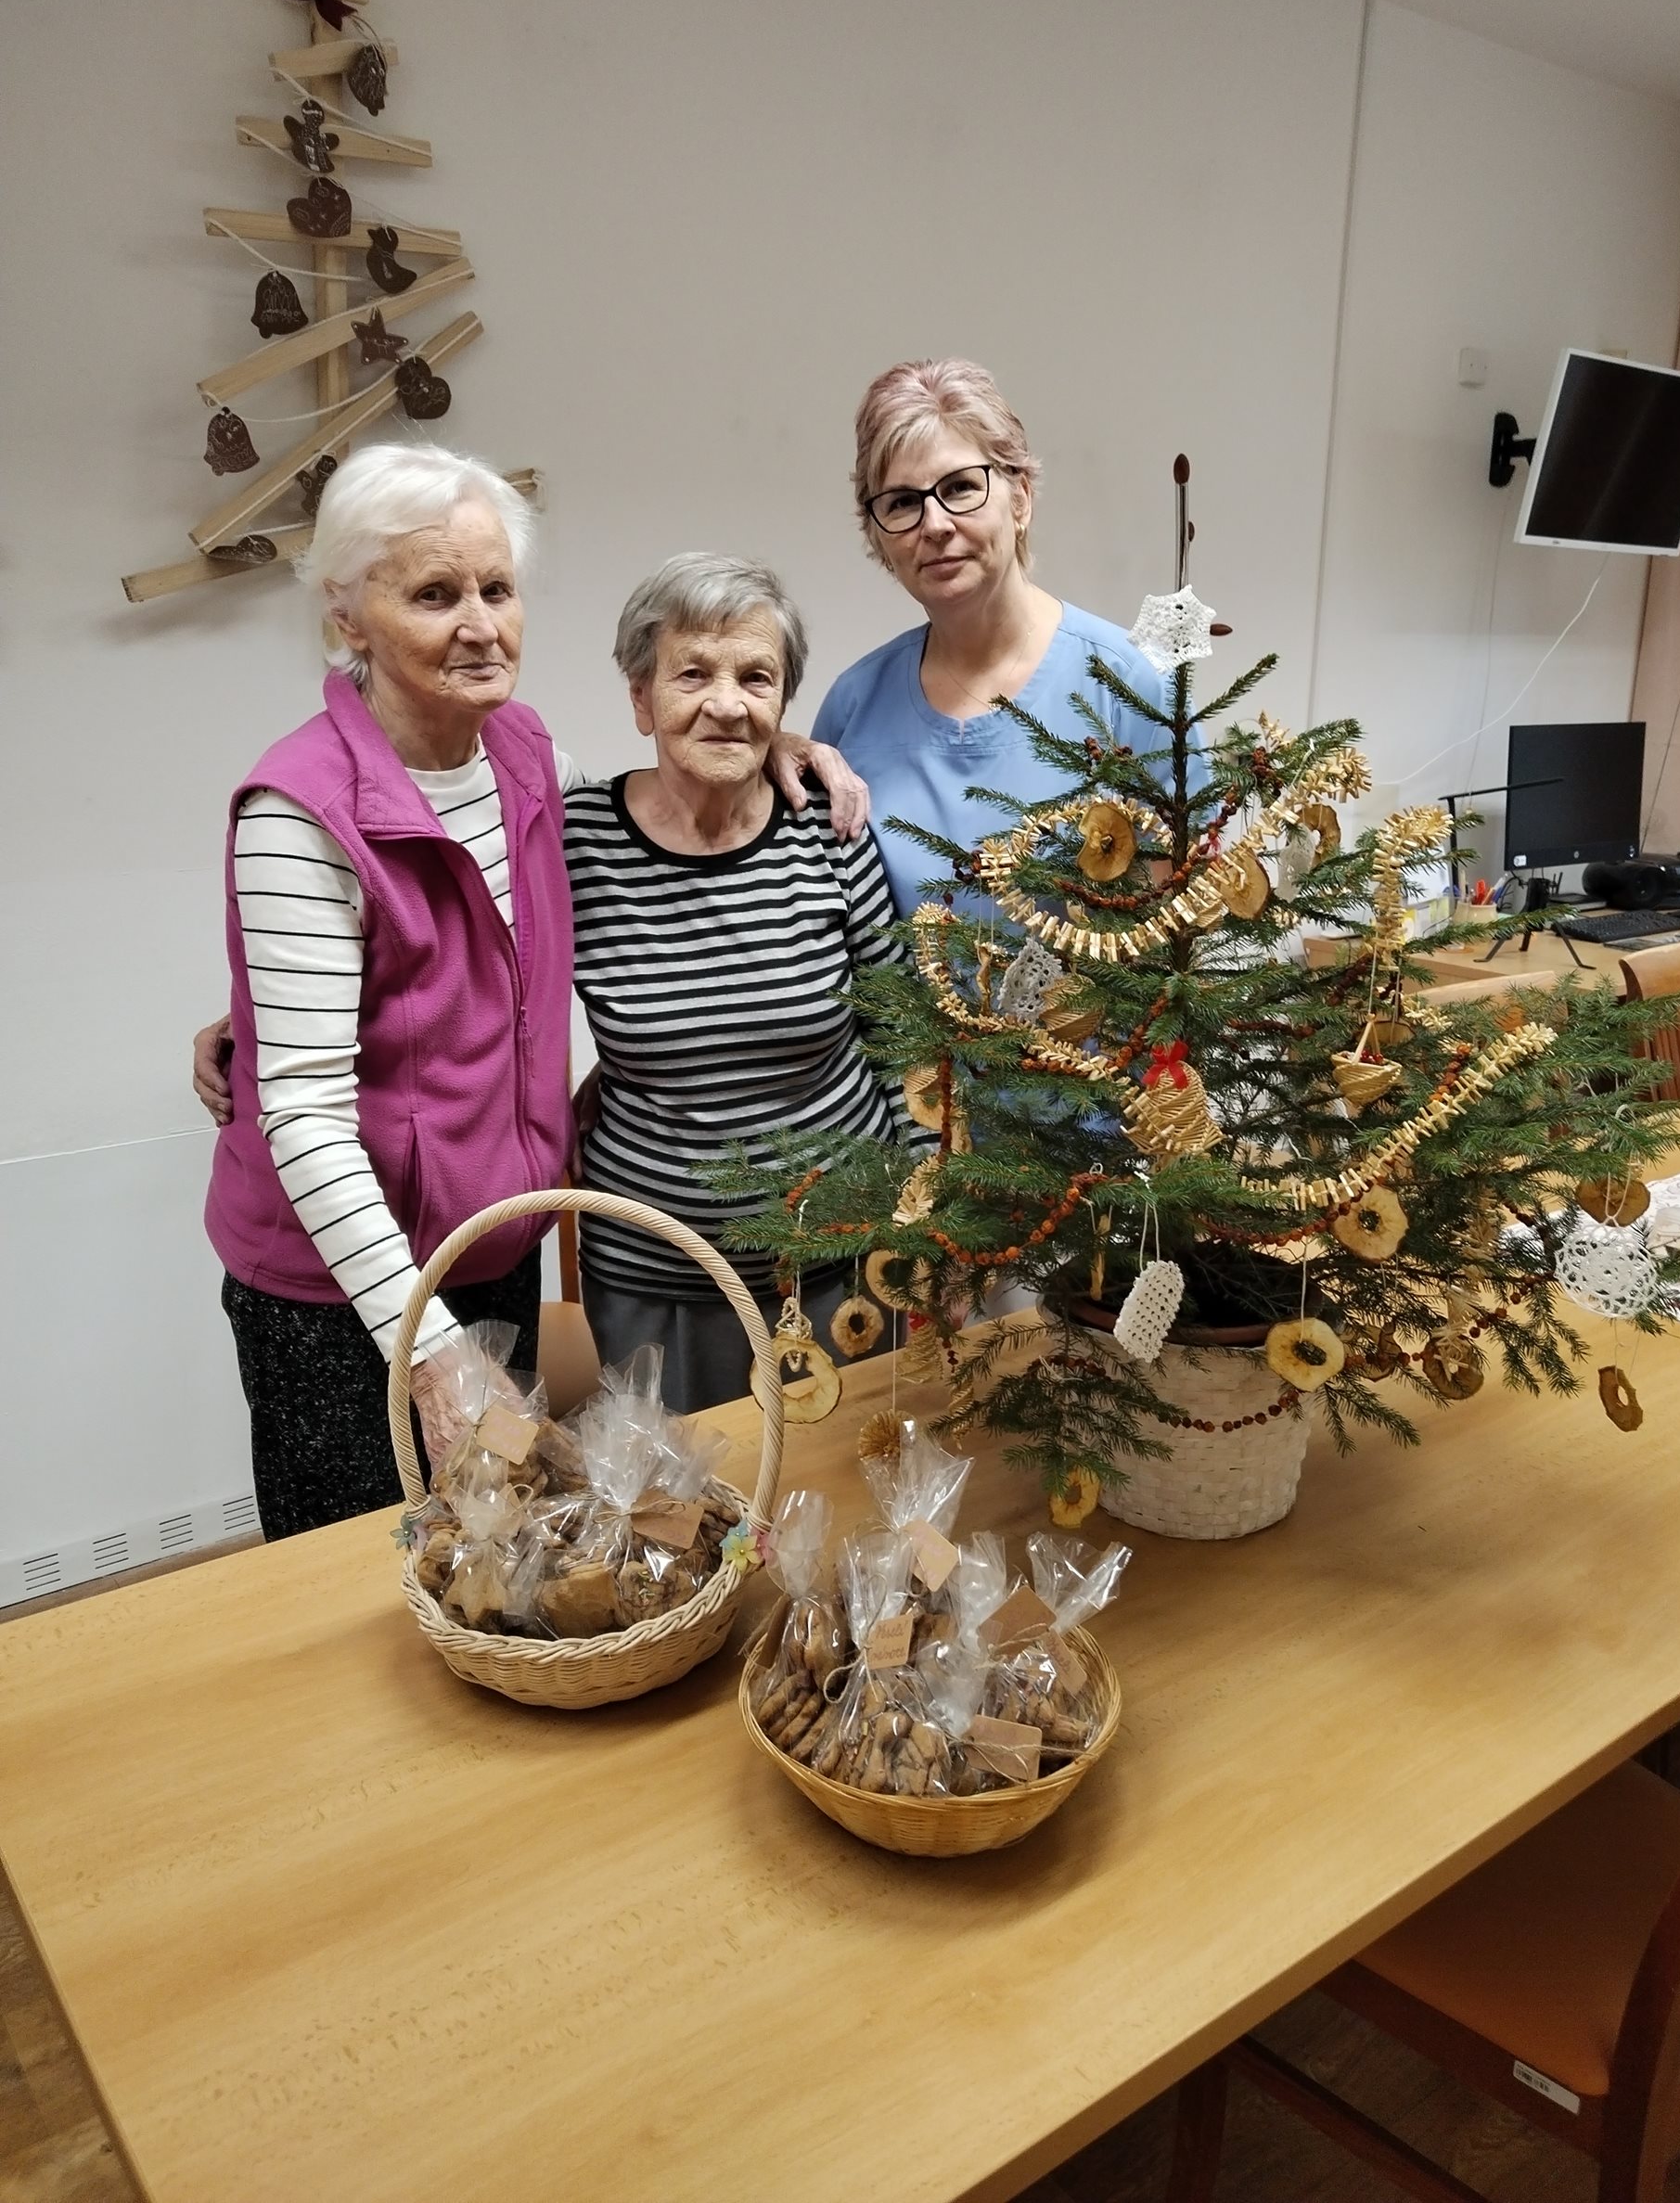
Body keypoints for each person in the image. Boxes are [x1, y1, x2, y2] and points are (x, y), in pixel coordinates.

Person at [196, 451, 866, 1537]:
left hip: (489, 1247)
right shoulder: (298, 807)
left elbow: (595, 879)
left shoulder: (522, 753)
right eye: (434, 594)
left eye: (496, 589)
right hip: (344, 1289)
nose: (479, 625)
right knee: (361, 1578)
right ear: (347, 615)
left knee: (499, 1567)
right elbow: (306, 1112)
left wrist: (761, 736)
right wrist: (431, 1351)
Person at [565, 553, 904, 1410]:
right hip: (654, 1277)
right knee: (679, 1489)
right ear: (641, 697)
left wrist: (927, 1223)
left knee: (851, 1478)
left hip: (843, 1264)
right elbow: (492, 999)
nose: (727, 703)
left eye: (757, 677)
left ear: (783, 703)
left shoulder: (826, 827)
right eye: (692, 674)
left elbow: (903, 1036)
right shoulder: (575, 842)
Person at [811, 356, 1200, 915]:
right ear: (877, 535)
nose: (935, 524)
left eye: (960, 487)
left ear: (1021, 498)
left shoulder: (1129, 683)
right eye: (902, 502)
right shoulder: (853, 706)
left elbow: (1185, 919)